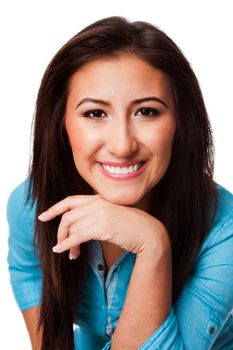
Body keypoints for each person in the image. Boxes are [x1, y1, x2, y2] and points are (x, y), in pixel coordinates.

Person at [7, 16, 233, 350]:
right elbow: (28, 272)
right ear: (61, 124)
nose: (123, 145)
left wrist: (152, 244)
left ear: (180, 122)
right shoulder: (32, 205)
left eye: (147, 112)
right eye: (95, 114)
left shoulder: (224, 232)